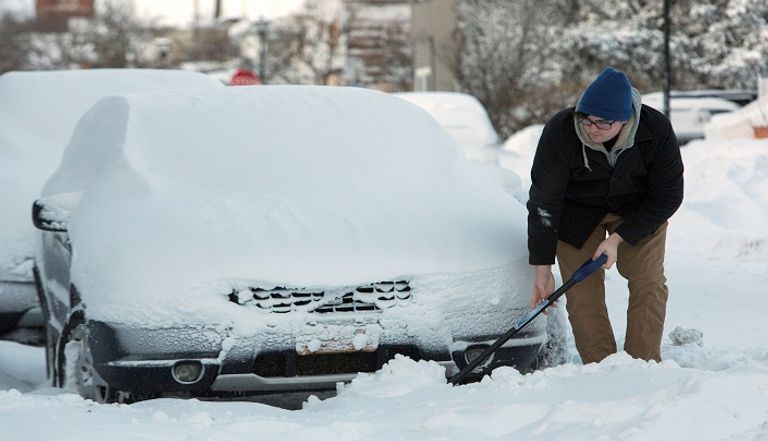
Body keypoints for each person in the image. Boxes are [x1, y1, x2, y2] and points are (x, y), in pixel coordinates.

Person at [527, 67, 684, 364]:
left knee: (647, 280)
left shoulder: (656, 129)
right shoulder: (560, 132)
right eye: (585, 118)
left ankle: (643, 364)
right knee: (581, 288)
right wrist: (542, 267)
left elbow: (668, 196)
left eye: (603, 122)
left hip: (638, 211)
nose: (592, 128)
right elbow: (544, 203)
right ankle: (600, 367)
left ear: (626, 119)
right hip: (577, 214)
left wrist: (619, 240)